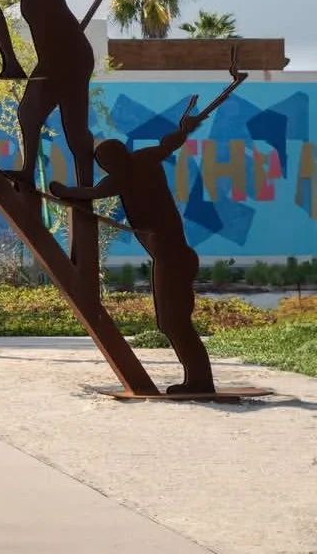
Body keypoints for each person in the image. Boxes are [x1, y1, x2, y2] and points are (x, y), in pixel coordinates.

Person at [50, 109, 215, 394]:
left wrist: (61, 190)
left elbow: (87, 194)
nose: (104, 169)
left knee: (174, 323)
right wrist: (185, 129)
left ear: (110, 163)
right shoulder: (145, 159)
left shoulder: (121, 176)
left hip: (169, 257)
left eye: (103, 163)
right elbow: (168, 144)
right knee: (174, 322)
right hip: (174, 255)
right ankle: (198, 379)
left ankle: (200, 381)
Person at [0, 0, 137, 189]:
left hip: (71, 59)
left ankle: (84, 185)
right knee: (28, 114)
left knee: (73, 127)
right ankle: (28, 173)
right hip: (52, 62)